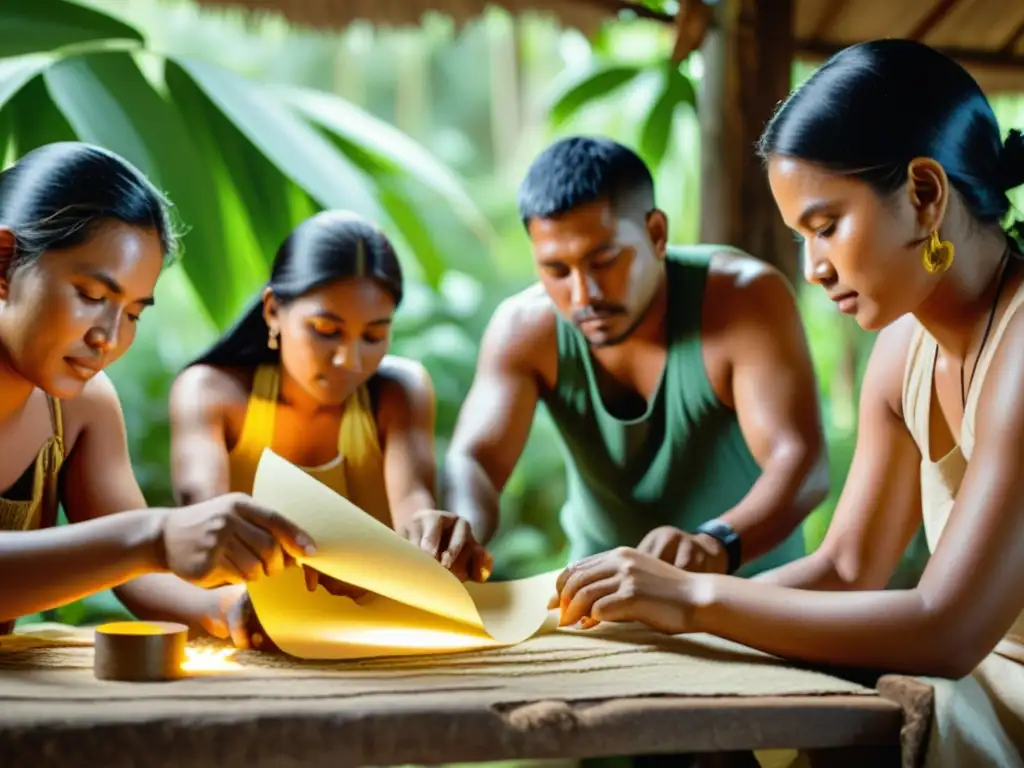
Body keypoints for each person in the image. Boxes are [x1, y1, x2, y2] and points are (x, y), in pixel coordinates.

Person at [551, 39, 1024, 768]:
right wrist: (665, 625)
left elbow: (949, 628)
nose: (813, 269)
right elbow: (844, 568)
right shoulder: (903, 351)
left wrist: (694, 601)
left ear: (925, 195)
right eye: (803, 236)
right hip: (972, 686)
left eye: (827, 225)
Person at [430, 135, 828, 584]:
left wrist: (715, 545)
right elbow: (475, 459)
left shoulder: (743, 299)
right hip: (598, 599)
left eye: (604, 261)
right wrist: (463, 530)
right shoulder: (525, 328)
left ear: (657, 233)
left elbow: (799, 462)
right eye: (557, 271)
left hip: (753, 593)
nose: (584, 295)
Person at [0, 141, 316, 638]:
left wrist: (237, 611)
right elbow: (142, 546)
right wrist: (155, 535)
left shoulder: (82, 407)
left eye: (132, 314)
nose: (107, 337)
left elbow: (143, 577)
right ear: (3, 263)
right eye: (92, 296)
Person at [170, 210, 462, 644]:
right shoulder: (212, 394)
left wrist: (432, 539)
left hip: (374, 640)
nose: (351, 360)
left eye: (374, 336)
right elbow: (205, 528)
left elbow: (413, 508)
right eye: (326, 331)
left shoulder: (399, 393)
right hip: (244, 635)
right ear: (273, 311)